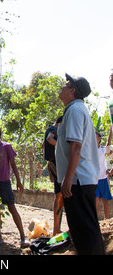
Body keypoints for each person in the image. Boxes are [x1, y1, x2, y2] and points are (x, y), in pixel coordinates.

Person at [56, 73, 104, 255]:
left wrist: (68, 180)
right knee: (86, 229)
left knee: (84, 230)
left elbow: (76, 146)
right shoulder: (75, 109)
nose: (62, 87)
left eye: (65, 84)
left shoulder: (75, 110)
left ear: (72, 91)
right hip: (79, 180)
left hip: (78, 181)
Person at [0, 123, 30, 249]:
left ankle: (22, 236)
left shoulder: (6, 147)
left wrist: (19, 181)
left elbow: (13, 164)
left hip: (5, 182)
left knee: (11, 207)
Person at [42, 116, 63, 235]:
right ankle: (56, 228)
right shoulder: (53, 130)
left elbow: (43, 144)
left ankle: (57, 227)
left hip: (52, 164)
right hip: (56, 165)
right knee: (59, 195)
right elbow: (50, 139)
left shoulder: (49, 129)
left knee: (59, 195)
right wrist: (61, 147)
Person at [95, 127, 113, 219]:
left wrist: (111, 169)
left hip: (103, 178)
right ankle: (96, 222)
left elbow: (109, 147)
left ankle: (107, 220)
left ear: (99, 139)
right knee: (96, 201)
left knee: (106, 201)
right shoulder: (89, 150)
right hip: (94, 180)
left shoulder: (102, 149)